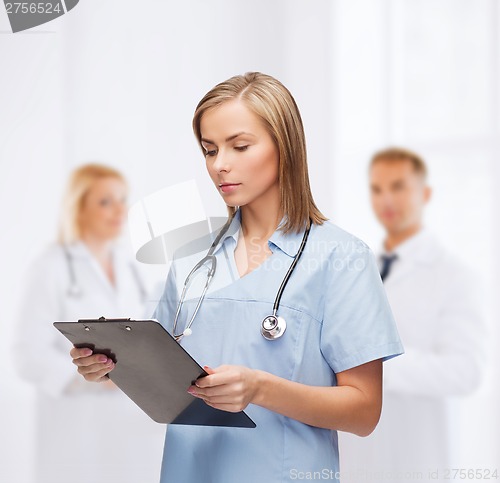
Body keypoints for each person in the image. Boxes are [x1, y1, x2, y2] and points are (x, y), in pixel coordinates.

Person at [70, 73, 404, 483]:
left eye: (240, 146)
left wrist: (260, 388)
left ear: (285, 147)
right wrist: (111, 367)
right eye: (210, 150)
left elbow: (364, 411)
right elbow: (166, 377)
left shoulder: (341, 258)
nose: (219, 164)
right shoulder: (190, 259)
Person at [339, 148, 485, 481]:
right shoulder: (360, 268)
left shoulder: (455, 276)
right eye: (377, 189)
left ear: (425, 193)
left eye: (398, 186)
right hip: (360, 458)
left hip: (416, 460)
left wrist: (372, 365)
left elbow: (466, 371)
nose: (386, 199)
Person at [14, 164, 165, 483]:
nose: (119, 210)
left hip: (132, 428)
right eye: (105, 201)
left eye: (123, 200)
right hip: (75, 429)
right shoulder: (50, 266)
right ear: (78, 207)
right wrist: (89, 377)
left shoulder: (133, 268)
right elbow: (27, 355)